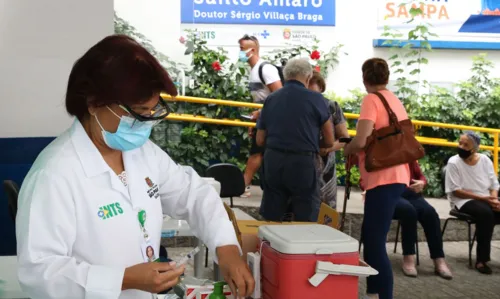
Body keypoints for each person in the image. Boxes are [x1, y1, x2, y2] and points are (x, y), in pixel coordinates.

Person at [15, 35, 254, 299]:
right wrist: (123, 279)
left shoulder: (142, 153)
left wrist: (226, 247)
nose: (146, 124)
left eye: (152, 112)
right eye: (138, 113)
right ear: (94, 103)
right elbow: (40, 272)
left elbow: (193, 194)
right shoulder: (55, 174)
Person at [344, 58, 410, 299]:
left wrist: (348, 149)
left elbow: (361, 140)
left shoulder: (371, 99)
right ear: (387, 77)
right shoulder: (393, 99)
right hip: (397, 174)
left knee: (374, 241)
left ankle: (384, 295)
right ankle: (373, 292)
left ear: (364, 79)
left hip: (383, 177)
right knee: (370, 235)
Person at [255, 58, 334, 222]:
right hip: (302, 163)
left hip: (273, 161)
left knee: (272, 216)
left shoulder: (271, 99)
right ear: (308, 77)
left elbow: (260, 140)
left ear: (285, 76)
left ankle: (270, 246)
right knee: (305, 217)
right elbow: (329, 140)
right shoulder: (316, 99)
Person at [360, 160, 453, 279]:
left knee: (430, 213)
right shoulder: (380, 151)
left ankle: (439, 259)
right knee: (409, 212)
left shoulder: (407, 153)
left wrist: (422, 183)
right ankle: (409, 256)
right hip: (388, 192)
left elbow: (420, 176)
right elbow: (364, 178)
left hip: (410, 192)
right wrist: (368, 188)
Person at [445, 131, 500, 274]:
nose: (461, 146)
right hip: (463, 200)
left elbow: (494, 185)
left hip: (486, 198)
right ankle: (481, 260)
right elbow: (456, 191)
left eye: (466, 145)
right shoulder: (453, 162)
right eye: (460, 143)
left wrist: (494, 200)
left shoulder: (485, 160)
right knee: (486, 214)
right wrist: (485, 199)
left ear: (474, 148)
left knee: (492, 211)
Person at [238, 34, 283, 197]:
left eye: (242, 49)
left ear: (253, 50)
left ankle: (243, 185)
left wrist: (261, 113)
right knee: (260, 152)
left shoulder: (266, 69)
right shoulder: (254, 71)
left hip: (270, 118)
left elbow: (280, 96)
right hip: (262, 118)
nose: (240, 52)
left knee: (256, 152)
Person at [308, 71, 349, 208]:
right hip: (303, 165)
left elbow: (344, 138)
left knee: (326, 211)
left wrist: (328, 148)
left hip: (326, 168)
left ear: (321, 88)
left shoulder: (332, 107)